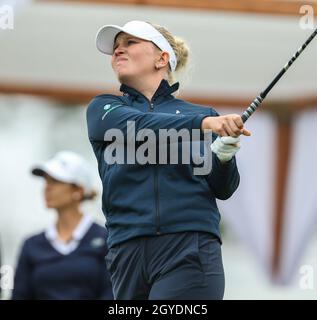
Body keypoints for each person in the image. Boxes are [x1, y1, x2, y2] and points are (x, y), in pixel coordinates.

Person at [86, 20, 251, 300]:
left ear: (162, 58)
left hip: (189, 248)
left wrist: (223, 155)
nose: (118, 51)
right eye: (116, 47)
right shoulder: (104, 108)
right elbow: (137, 125)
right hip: (127, 252)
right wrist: (205, 123)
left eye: (130, 43)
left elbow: (223, 188)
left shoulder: (200, 115)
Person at [12, 151, 113, 300]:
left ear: (78, 190)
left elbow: (112, 294)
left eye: (56, 181)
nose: (47, 187)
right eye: (46, 181)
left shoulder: (106, 240)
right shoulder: (31, 245)